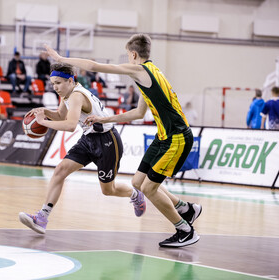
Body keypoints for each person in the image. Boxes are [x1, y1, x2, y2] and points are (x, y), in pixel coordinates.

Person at [45, 33, 201, 248]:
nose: (128, 59)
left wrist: (61, 57)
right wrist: (104, 118)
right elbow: (138, 113)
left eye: (128, 55)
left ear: (133, 54)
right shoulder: (152, 75)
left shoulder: (140, 70)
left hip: (177, 139)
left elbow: (93, 65)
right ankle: (187, 209)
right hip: (164, 137)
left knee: (149, 189)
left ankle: (184, 229)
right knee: (137, 183)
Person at [19, 62, 146, 234]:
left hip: (107, 141)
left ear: (70, 81)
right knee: (60, 170)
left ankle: (135, 195)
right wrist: (44, 111)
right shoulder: (67, 94)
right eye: (53, 83)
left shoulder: (76, 96)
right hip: (88, 139)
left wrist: (43, 123)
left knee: (108, 190)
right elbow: (61, 115)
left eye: (58, 83)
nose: (55, 87)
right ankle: (42, 218)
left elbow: (71, 125)